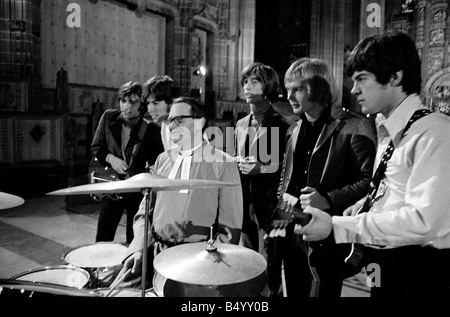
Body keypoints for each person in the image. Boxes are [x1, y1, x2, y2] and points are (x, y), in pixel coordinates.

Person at [294, 30, 450, 297]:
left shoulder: (434, 132)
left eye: (361, 79)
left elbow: (423, 221)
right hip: (386, 261)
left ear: (394, 76)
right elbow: (389, 192)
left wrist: (336, 227)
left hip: (422, 268)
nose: (354, 89)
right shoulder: (388, 128)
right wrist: (357, 209)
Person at [267, 58, 376, 297]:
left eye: (297, 89)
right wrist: (278, 221)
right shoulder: (294, 129)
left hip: (328, 232)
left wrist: (327, 199)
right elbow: (287, 182)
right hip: (292, 229)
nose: (289, 96)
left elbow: (369, 182)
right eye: (288, 89)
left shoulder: (355, 126)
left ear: (318, 88)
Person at [116, 96, 243, 286]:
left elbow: (230, 227)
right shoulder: (162, 160)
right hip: (156, 256)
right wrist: (138, 248)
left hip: (196, 262)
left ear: (199, 122)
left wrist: (211, 263)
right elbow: (144, 213)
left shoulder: (223, 164)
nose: (171, 125)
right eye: (169, 120)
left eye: (179, 119)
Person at [91, 81, 164, 244]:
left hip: (137, 191)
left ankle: (131, 267)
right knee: (103, 236)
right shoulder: (109, 117)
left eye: (133, 101)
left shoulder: (151, 129)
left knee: (135, 238)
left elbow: (157, 161)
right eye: (123, 100)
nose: (126, 106)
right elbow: (96, 147)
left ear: (142, 105)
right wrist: (111, 158)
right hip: (113, 186)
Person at [234, 62, 289, 254]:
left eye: (254, 82)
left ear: (267, 86)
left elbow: (288, 167)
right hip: (245, 203)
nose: (247, 86)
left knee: (273, 260)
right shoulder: (241, 124)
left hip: (271, 203)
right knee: (248, 259)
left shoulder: (282, 123)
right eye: (245, 82)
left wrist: (261, 168)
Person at [142, 75, 181, 151]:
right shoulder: (164, 123)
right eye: (148, 104)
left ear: (171, 101)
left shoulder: (183, 125)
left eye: (155, 103)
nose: (150, 110)